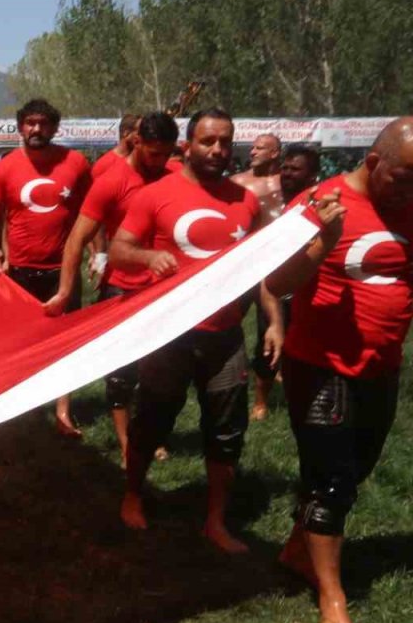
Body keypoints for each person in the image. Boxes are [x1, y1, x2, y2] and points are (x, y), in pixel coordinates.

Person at [265, 118, 413, 623]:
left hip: (383, 366)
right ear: (373, 163)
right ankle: (333, 599)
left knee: (357, 468)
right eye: (404, 178)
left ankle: (297, 547)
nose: (410, 191)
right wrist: (322, 242)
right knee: (332, 481)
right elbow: (276, 283)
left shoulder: (408, 206)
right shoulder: (319, 201)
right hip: (323, 366)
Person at [109, 108, 284, 553]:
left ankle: (215, 520)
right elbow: (117, 251)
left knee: (227, 430)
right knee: (153, 420)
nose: (217, 150)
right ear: (187, 145)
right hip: (170, 334)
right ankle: (132, 494)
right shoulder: (156, 194)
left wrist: (275, 322)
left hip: (226, 337)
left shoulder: (243, 201)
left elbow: (261, 267)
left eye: (225, 142)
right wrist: (148, 259)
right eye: (208, 141)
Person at [45, 112, 179, 465]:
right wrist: (63, 291)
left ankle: (151, 434)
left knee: (160, 371)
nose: (160, 161)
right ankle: (127, 445)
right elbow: (76, 240)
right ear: (135, 143)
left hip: (165, 289)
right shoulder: (111, 181)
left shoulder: (175, 178)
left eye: (166, 154)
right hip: (121, 289)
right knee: (122, 375)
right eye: (153, 154)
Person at [0, 98, 91, 436]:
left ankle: (62, 412)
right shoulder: (4, 167)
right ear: (20, 127)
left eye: (42, 123)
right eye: (29, 123)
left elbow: (91, 214)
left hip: (63, 269)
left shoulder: (76, 163)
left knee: (66, 342)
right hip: (20, 271)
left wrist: (98, 253)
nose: (36, 129)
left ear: (55, 127)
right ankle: (21, 407)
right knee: (20, 342)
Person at [249, 143, 321, 421]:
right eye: (286, 168)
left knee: (303, 345)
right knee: (267, 343)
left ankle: (303, 395)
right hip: (271, 283)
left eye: (295, 169)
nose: (287, 173)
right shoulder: (269, 202)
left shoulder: (319, 202)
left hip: (307, 287)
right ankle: (260, 401)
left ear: (312, 175)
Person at [231, 133, 284, 219]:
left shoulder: (288, 180)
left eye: (259, 148)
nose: (252, 152)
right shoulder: (238, 181)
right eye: (252, 148)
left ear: (274, 153)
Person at [91, 114, 141, 180]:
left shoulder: (143, 162)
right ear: (126, 134)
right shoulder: (104, 165)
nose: (144, 136)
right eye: (140, 132)